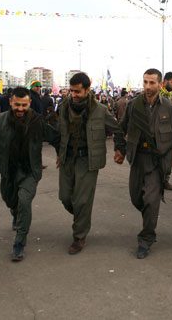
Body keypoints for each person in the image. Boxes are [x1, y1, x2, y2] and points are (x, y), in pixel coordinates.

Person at [0, 87, 58, 262]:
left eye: (24, 105)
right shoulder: (0, 119)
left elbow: (55, 137)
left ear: (29, 104)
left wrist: (61, 156)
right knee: (9, 199)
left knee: (24, 201)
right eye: (17, 105)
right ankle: (16, 214)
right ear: (11, 102)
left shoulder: (37, 121)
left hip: (30, 171)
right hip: (8, 170)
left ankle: (20, 242)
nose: (20, 109)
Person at [55, 72, 126, 254]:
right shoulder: (63, 107)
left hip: (88, 160)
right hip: (67, 158)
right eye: (72, 91)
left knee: (82, 200)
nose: (74, 95)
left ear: (87, 90)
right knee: (65, 197)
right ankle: (81, 217)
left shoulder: (100, 110)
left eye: (78, 91)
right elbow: (59, 133)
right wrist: (59, 153)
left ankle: (79, 236)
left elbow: (117, 129)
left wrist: (120, 149)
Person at [120, 68, 172, 259]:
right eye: (145, 82)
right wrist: (119, 150)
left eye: (152, 83)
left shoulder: (169, 108)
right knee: (136, 198)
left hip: (157, 160)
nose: (148, 86)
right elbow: (121, 128)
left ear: (160, 84)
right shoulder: (133, 105)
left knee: (151, 200)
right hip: (138, 158)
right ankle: (149, 216)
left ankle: (146, 238)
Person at [158, 71, 172, 191]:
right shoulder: (159, 94)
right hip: (159, 130)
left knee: (169, 157)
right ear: (165, 82)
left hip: (170, 130)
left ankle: (165, 180)